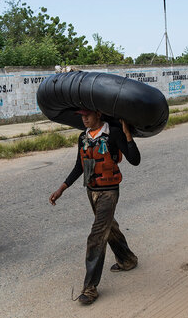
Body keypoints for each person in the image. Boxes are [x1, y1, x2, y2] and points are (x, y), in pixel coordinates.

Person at [49, 110, 141, 305]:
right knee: (109, 227)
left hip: (109, 192)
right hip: (92, 191)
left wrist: (127, 134)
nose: (84, 119)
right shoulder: (83, 137)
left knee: (97, 235)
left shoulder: (113, 133)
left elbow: (135, 159)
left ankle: (90, 288)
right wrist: (61, 189)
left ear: (98, 115)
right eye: (82, 116)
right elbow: (79, 167)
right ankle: (127, 259)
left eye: (87, 115)